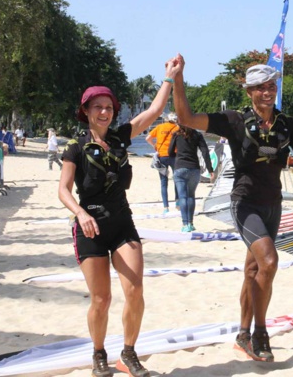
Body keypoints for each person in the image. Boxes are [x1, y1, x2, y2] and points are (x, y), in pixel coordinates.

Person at [172, 57, 293, 362]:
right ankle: (260, 332)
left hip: (273, 205)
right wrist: (178, 78)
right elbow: (186, 118)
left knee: (253, 270)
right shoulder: (234, 121)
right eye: (261, 88)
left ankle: (242, 334)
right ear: (249, 92)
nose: (268, 92)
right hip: (244, 203)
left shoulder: (287, 123)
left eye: (272, 86)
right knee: (269, 261)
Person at [58, 57, 180, 377]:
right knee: (101, 299)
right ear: (85, 111)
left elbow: (153, 112)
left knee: (135, 291)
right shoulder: (75, 147)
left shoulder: (120, 137)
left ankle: (128, 352)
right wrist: (80, 213)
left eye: (109, 107)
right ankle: (99, 352)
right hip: (91, 228)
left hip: (122, 223)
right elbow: (63, 190)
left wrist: (168, 78)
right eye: (97, 107)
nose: (104, 112)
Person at [168, 124, 214, 232]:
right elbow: (205, 152)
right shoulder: (197, 135)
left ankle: (185, 224)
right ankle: (191, 223)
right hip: (194, 168)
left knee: (182, 197)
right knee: (191, 196)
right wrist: (210, 169)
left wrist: (178, 156)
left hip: (180, 168)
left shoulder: (176, 135)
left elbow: (170, 151)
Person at [146, 112, 179, 213]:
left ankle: (166, 207)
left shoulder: (160, 127)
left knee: (164, 182)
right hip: (174, 155)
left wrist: (155, 146)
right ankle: (177, 202)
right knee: (177, 179)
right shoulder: (177, 128)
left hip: (162, 156)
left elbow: (148, 138)